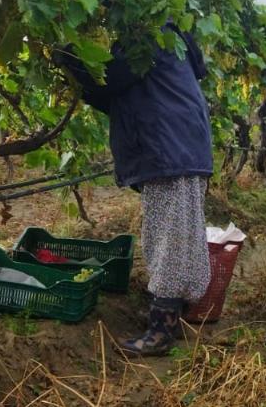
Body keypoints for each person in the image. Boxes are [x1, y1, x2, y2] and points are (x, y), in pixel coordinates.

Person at [63, 24, 213, 356]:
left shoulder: (146, 38)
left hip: (169, 151)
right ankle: (172, 314)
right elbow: (112, 93)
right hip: (178, 148)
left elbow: (109, 79)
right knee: (174, 235)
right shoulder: (168, 39)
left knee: (169, 239)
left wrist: (68, 56)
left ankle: (161, 331)